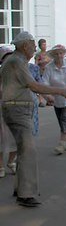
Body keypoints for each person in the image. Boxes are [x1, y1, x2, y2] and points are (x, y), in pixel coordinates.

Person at [1, 31, 66, 207]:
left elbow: (27, 86)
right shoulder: (16, 61)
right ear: (25, 46)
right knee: (28, 150)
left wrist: (45, 95)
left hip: (18, 108)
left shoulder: (17, 61)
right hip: (17, 109)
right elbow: (32, 84)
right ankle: (26, 194)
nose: (35, 48)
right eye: (33, 45)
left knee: (23, 150)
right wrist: (60, 91)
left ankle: (21, 189)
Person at [42, 44, 66, 155]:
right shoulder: (49, 67)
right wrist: (48, 95)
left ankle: (61, 143)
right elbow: (45, 82)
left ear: (64, 54)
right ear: (53, 55)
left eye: (61, 53)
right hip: (57, 97)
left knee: (65, 118)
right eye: (56, 54)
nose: (59, 55)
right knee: (62, 120)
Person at [0, 46, 17, 179]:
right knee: (1, 137)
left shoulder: (18, 72)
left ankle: (11, 161)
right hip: (2, 108)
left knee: (15, 136)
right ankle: (0, 165)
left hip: (16, 108)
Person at [34, 38, 53, 106]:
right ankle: (41, 101)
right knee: (41, 87)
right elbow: (35, 64)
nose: (44, 46)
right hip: (41, 72)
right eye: (43, 45)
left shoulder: (49, 53)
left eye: (45, 44)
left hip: (48, 72)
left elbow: (52, 61)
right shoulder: (38, 55)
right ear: (40, 46)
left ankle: (49, 100)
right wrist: (42, 61)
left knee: (49, 86)